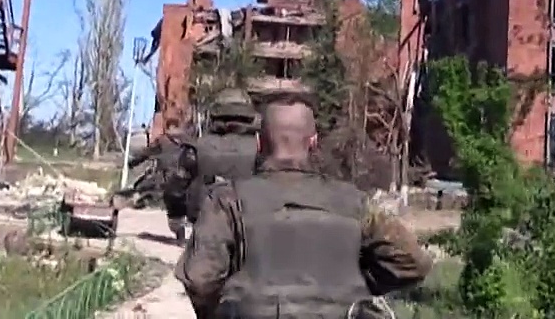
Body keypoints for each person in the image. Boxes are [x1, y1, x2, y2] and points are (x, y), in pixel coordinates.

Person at [175, 98, 433, 319]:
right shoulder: (355, 203)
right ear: (313, 141)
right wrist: (358, 288)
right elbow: (413, 262)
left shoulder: (227, 201)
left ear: (259, 143)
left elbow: (199, 278)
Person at [164, 88, 261, 244]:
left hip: (207, 230)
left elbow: (175, 190)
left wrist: (176, 220)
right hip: (252, 233)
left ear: (214, 115)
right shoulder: (264, 151)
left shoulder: (195, 149)